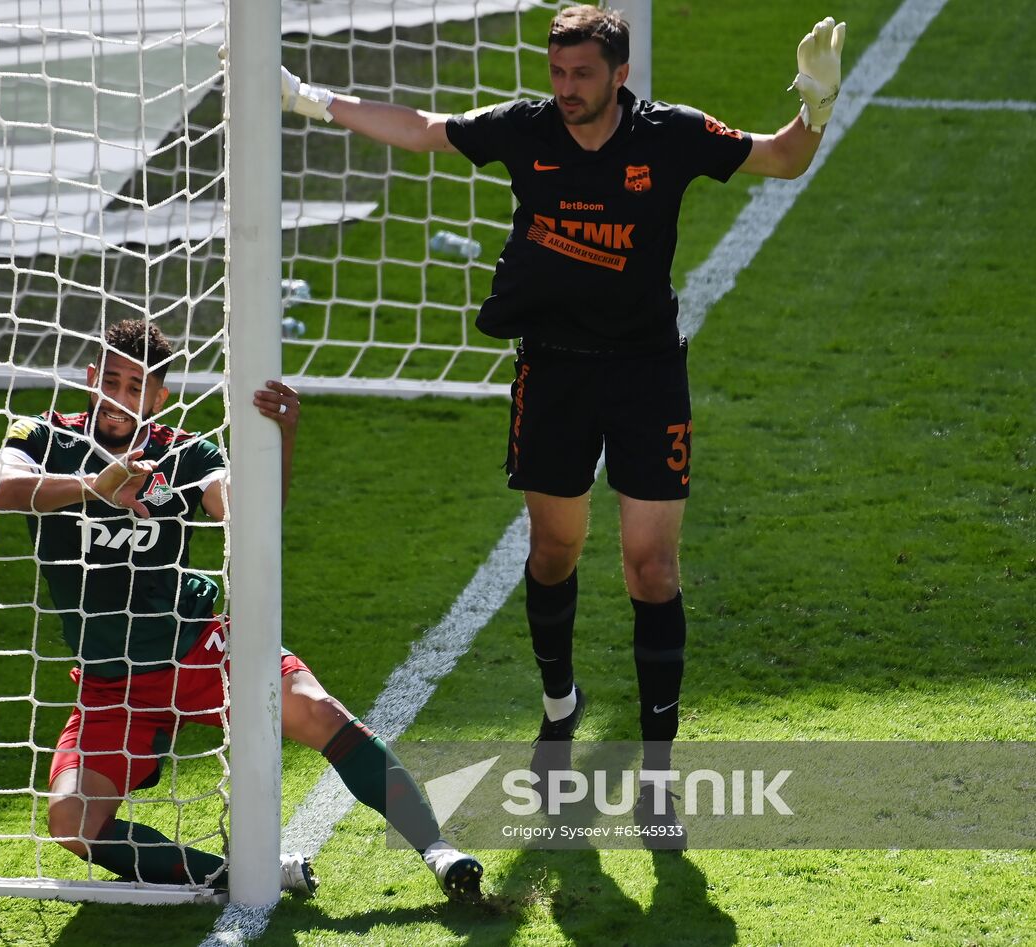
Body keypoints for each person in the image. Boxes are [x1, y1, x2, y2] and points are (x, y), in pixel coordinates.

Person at [278, 5, 845, 849]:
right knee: (554, 552)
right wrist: (310, 101)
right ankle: (558, 708)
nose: (567, 89)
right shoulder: (526, 129)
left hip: (648, 375)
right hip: (554, 370)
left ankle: (658, 771)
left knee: (652, 568)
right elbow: (425, 131)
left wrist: (818, 100)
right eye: (557, 72)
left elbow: (782, 160)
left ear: (619, 74)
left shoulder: (672, 136)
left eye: (582, 74)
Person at [0, 319, 483, 898]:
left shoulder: (187, 453)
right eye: (109, 381)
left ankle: (440, 851)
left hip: (198, 649)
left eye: (136, 386)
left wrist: (284, 438)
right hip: (112, 683)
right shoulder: (45, 437)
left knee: (319, 712)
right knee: (72, 825)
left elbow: (249, 515)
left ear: (158, 396)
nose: (118, 398)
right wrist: (96, 485)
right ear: (90, 379)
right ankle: (242, 876)